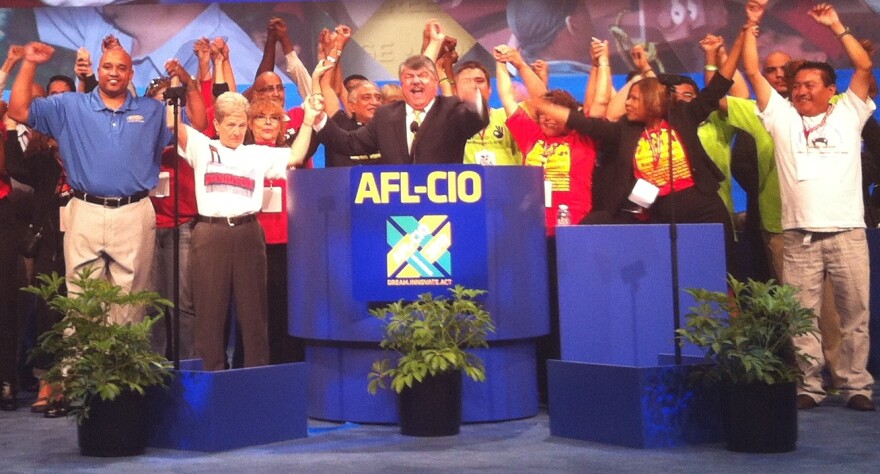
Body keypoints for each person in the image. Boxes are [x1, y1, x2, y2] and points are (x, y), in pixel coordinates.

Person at [7, 42, 204, 324]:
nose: (114, 73)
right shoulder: (70, 105)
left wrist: (188, 81)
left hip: (134, 211)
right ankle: (83, 368)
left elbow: (198, 123)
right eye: (108, 67)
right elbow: (18, 110)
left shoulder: (151, 110)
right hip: (85, 209)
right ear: (98, 71)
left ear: (131, 74)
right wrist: (29, 62)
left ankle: (123, 368)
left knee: (131, 301)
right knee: (82, 298)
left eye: (121, 68)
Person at [742, 1, 875, 411]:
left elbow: (864, 67)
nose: (800, 91)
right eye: (797, 86)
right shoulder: (781, 117)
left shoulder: (848, 113)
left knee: (855, 315)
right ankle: (809, 386)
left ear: (830, 90)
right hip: (798, 235)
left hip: (848, 231)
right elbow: (751, 71)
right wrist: (751, 22)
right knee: (801, 318)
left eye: (809, 85)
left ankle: (855, 385)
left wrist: (836, 26)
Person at [173, 87, 324, 372]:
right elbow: (172, 123)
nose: (236, 131)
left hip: (248, 233)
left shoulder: (256, 154)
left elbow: (295, 156)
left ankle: (256, 378)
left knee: (254, 313)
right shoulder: (201, 145)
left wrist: (307, 121)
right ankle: (213, 379)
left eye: (242, 125)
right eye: (230, 124)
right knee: (209, 312)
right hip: (210, 232)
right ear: (216, 124)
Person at [315, 54, 488, 164]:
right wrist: (318, 119)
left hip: (441, 206)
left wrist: (474, 100)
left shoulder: (451, 108)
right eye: (409, 77)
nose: (416, 81)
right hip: (398, 208)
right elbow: (350, 144)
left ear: (435, 83)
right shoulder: (385, 115)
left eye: (422, 76)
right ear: (402, 85)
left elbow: (477, 119)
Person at [454, 61, 522, 166]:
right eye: (466, 82)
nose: (474, 86)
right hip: (467, 181)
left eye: (479, 81)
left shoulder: (506, 116)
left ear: (490, 89)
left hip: (507, 180)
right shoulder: (450, 122)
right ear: (455, 91)